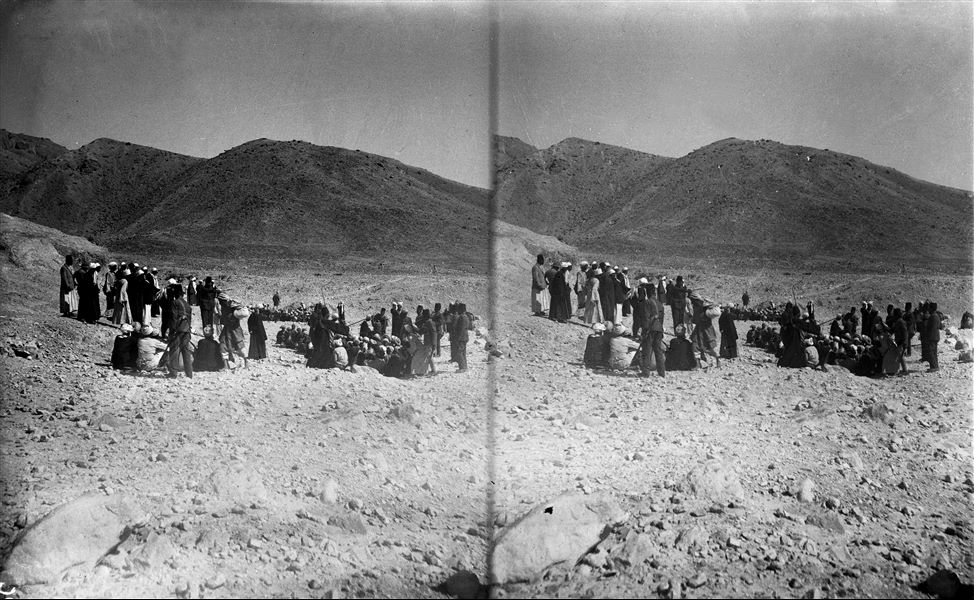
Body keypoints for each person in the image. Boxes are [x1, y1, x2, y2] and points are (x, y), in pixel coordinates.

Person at [166, 285, 193, 378]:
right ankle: (189, 373)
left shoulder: (175, 302)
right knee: (186, 351)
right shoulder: (187, 304)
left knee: (174, 351)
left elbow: (173, 318)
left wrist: (171, 332)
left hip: (178, 330)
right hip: (187, 329)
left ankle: (173, 373)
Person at [689, 291, 720, 368]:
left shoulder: (705, 307)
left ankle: (717, 359)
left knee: (708, 348)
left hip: (706, 330)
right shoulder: (696, 307)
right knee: (695, 345)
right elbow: (694, 320)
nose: (692, 302)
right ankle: (698, 364)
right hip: (699, 329)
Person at [640, 288, 666, 377]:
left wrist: (644, 331)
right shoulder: (660, 304)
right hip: (659, 329)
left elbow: (646, 318)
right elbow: (661, 318)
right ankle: (662, 372)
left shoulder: (647, 302)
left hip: (650, 329)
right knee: (658, 351)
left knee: (647, 350)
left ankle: (646, 373)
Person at [218, 293, 248, 369]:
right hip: (227, 330)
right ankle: (226, 365)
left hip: (235, 330)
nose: (220, 303)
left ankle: (246, 363)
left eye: (221, 301)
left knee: (240, 346)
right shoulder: (224, 309)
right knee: (223, 346)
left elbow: (245, 313)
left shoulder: (233, 310)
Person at [453, 302, 470, 372]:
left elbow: (461, 329)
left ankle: (462, 368)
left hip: (461, 337)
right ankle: (464, 367)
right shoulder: (466, 317)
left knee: (459, 352)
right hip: (465, 337)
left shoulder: (461, 317)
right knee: (463, 352)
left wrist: (457, 338)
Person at [925, 302, 941, 372]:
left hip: (932, 336)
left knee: (931, 351)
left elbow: (931, 328)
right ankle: (935, 366)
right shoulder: (937, 316)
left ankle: (934, 367)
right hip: (936, 336)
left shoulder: (932, 317)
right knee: (934, 351)